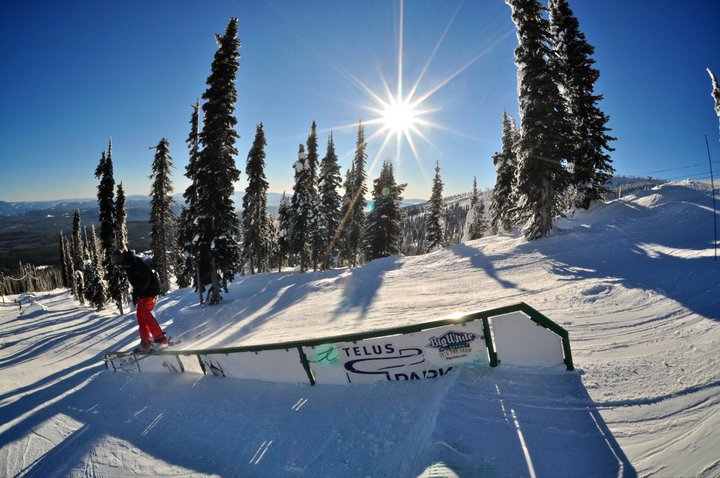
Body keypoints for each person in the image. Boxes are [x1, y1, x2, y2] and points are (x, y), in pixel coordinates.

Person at [111, 250, 169, 352]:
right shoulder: (129, 264)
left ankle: (160, 339)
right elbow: (138, 282)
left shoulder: (133, 263)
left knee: (145, 314)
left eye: (118, 264)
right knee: (140, 316)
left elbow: (145, 279)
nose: (118, 267)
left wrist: (138, 293)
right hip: (145, 292)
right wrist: (135, 294)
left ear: (121, 260)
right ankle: (146, 342)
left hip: (150, 291)